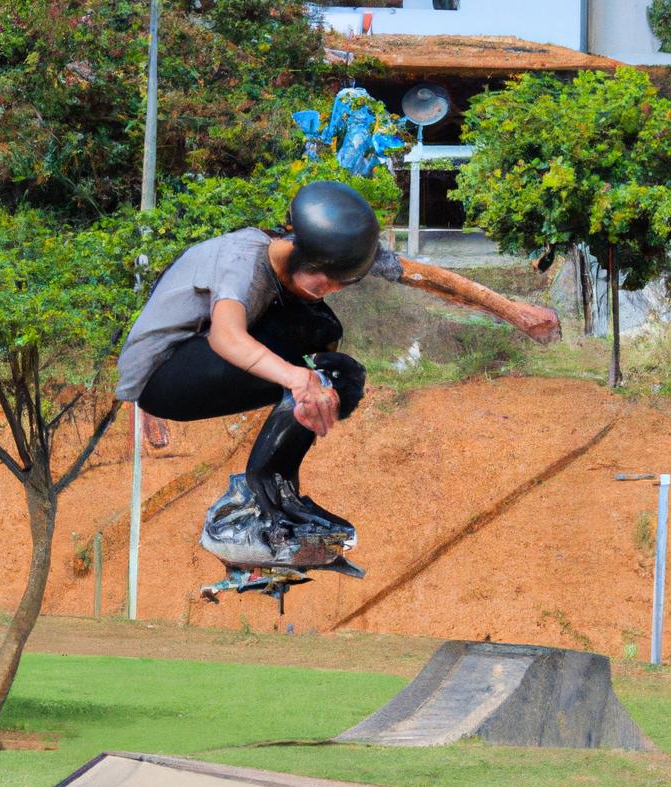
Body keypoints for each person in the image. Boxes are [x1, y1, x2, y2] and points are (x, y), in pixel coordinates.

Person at [116, 180, 559, 569]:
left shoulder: (334, 258)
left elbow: (422, 277)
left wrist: (510, 309)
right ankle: (247, 507)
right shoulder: (242, 261)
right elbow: (226, 337)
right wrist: (294, 378)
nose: (328, 288)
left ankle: (278, 493)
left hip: (214, 363)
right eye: (321, 280)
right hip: (166, 375)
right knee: (309, 357)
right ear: (296, 250)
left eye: (338, 284)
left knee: (337, 368)